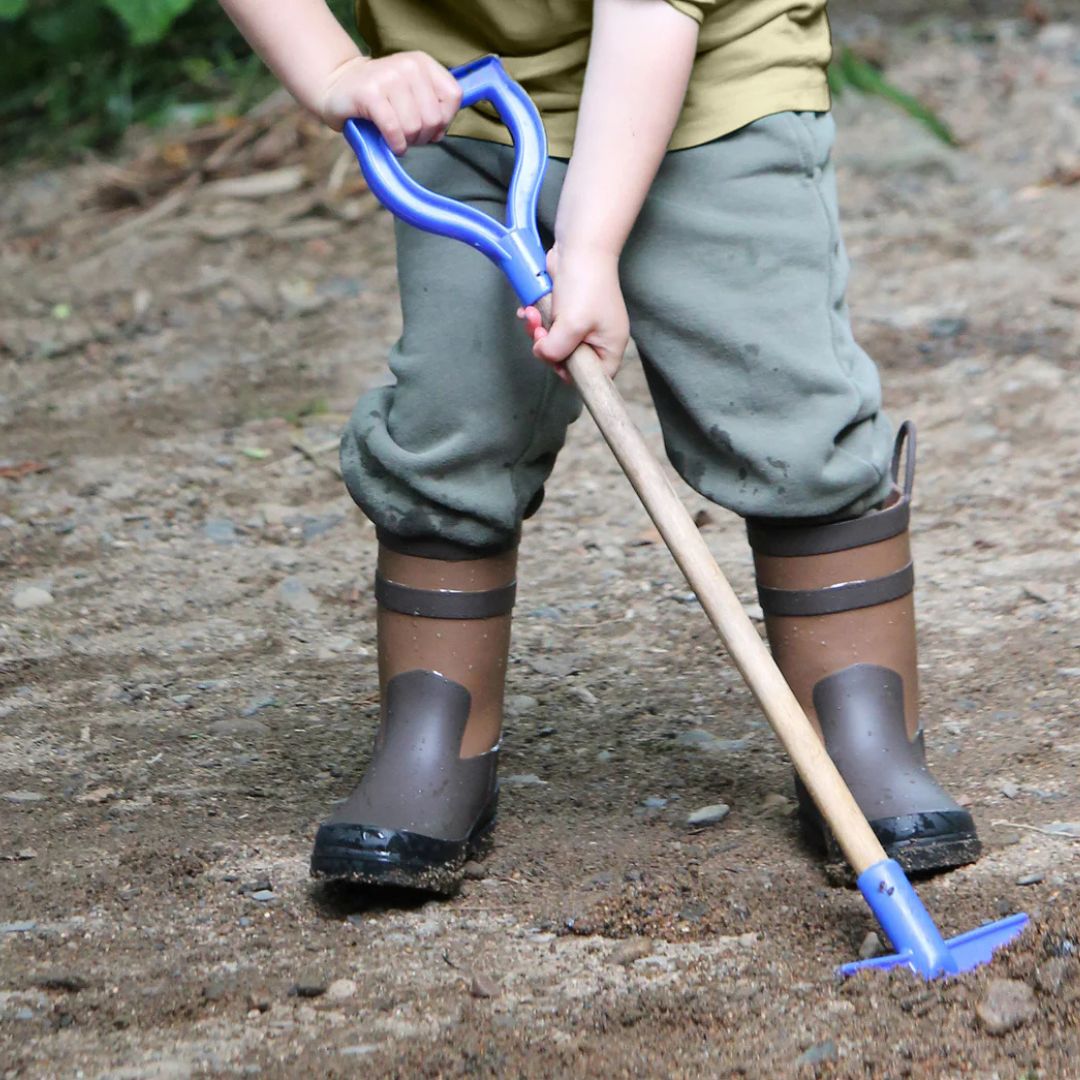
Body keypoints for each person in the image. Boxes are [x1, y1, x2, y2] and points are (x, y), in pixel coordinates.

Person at [219, 0, 981, 891]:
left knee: (784, 408)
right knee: (456, 414)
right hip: (460, 98)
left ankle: (861, 727)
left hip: (710, 87)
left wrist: (590, 244)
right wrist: (336, 72)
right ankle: (435, 741)